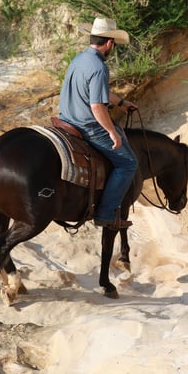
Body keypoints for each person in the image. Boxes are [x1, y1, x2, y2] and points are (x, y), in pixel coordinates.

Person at [58, 17, 138, 228]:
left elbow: (93, 92)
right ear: (110, 43)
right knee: (128, 163)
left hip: (65, 119)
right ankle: (106, 213)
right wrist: (111, 131)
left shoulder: (79, 59)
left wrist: (120, 102)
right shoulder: (99, 68)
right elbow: (96, 106)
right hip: (86, 126)